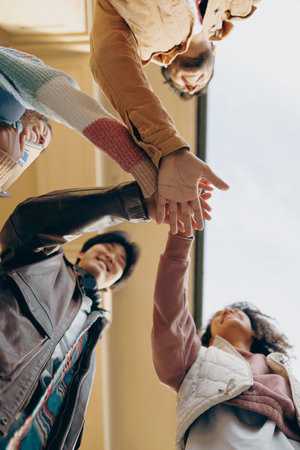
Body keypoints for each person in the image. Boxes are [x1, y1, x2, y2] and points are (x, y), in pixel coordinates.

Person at [0, 181, 151, 449]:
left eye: (120, 261)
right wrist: (135, 202)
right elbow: (26, 221)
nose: (111, 256)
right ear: (82, 250)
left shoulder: (92, 331)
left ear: (112, 286)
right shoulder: (46, 263)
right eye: (107, 247)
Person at [89, 0, 259, 231]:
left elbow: (108, 56)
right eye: (200, 85)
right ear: (214, 50)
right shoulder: (237, 8)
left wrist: (169, 148)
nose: (191, 87)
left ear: (165, 63)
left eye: (182, 87)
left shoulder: (139, 40)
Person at [152, 230, 300, 449]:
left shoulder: (283, 372)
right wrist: (179, 242)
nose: (228, 311)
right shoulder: (196, 359)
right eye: (218, 316)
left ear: (256, 332)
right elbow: (170, 315)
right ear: (209, 339)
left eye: (238, 312)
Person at [0, 46, 157, 199]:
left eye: (40, 147)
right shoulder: (17, 100)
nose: (40, 141)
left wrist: (5, 163)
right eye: (44, 133)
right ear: (39, 113)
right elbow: (59, 94)